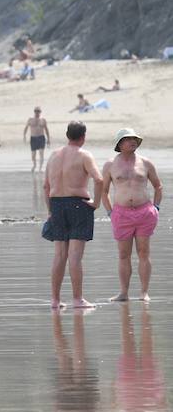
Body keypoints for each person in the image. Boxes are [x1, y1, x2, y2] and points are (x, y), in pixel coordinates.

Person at [43, 122, 103, 309]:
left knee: (59, 255)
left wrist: (50, 211)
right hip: (78, 204)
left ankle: (55, 300)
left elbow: (46, 186)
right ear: (83, 136)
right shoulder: (84, 155)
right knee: (75, 256)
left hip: (57, 204)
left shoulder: (53, 155)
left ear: (67, 135)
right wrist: (96, 203)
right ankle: (77, 299)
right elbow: (99, 179)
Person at [101, 128, 161, 303]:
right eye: (128, 139)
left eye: (135, 138)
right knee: (123, 254)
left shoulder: (146, 162)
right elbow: (103, 191)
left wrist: (156, 208)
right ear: (120, 144)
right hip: (121, 213)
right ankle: (124, 293)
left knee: (144, 252)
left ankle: (144, 292)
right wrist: (110, 212)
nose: (133, 141)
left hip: (145, 212)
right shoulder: (110, 165)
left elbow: (158, 186)